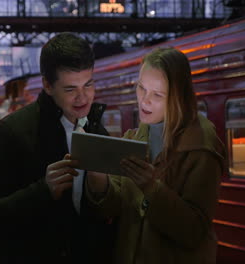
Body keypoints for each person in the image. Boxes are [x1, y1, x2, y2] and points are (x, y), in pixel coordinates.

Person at [0, 32, 114, 264]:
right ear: (47, 86)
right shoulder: (12, 132)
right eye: (70, 89)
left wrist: (105, 190)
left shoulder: (97, 132)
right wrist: (43, 190)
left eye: (88, 84)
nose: (83, 98)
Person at [85, 47, 226, 264]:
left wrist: (152, 189)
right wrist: (98, 178)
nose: (144, 100)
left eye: (157, 94)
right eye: (141, 88)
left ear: (178, 97)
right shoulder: (134, 137)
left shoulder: (201, 147)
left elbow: (194, 232)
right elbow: (113, 208)